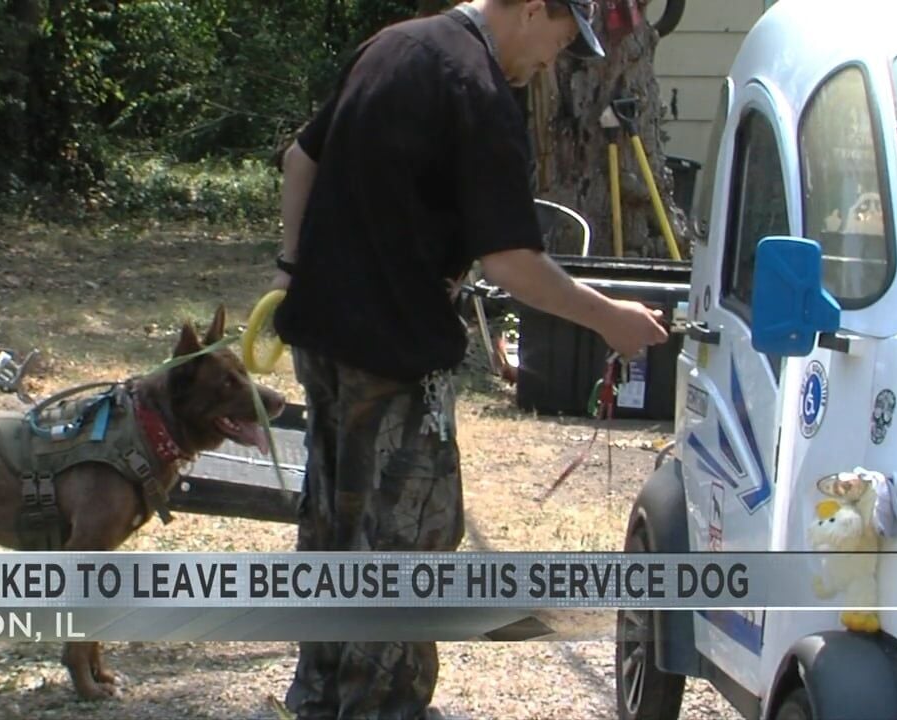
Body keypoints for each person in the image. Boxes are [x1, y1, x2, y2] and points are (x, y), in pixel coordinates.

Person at [268, 1, 669, 718]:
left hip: (323, 342)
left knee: (333, 529)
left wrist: (291, 267)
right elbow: (513, 260)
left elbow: (303, 157)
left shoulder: (392, 46)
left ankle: (319, 700)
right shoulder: (478, 89)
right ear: (530, 6)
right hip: (394, 356)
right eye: (560, 39)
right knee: (405, 548)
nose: (556, 61)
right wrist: (610, 320)